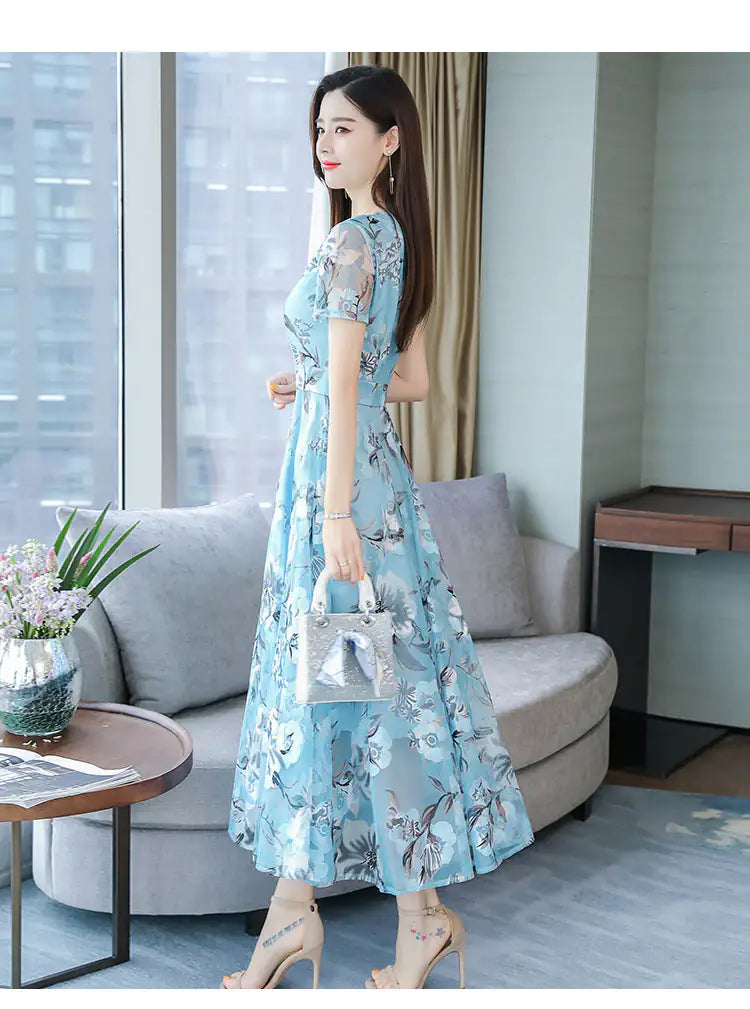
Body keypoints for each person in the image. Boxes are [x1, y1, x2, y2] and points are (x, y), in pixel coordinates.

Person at [221, 63, 535, 991]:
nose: (326, 143)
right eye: (320, 127)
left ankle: (340, 918)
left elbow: (370, 381)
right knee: (359, 696)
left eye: (346, 128)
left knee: (345, 692)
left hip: (341, 505)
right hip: (371, 492)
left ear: (391, 139)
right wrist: (312, 378)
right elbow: (411, 382)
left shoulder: (353, 242)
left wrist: (333, 513)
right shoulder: (398, 238)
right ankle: (371, 919)